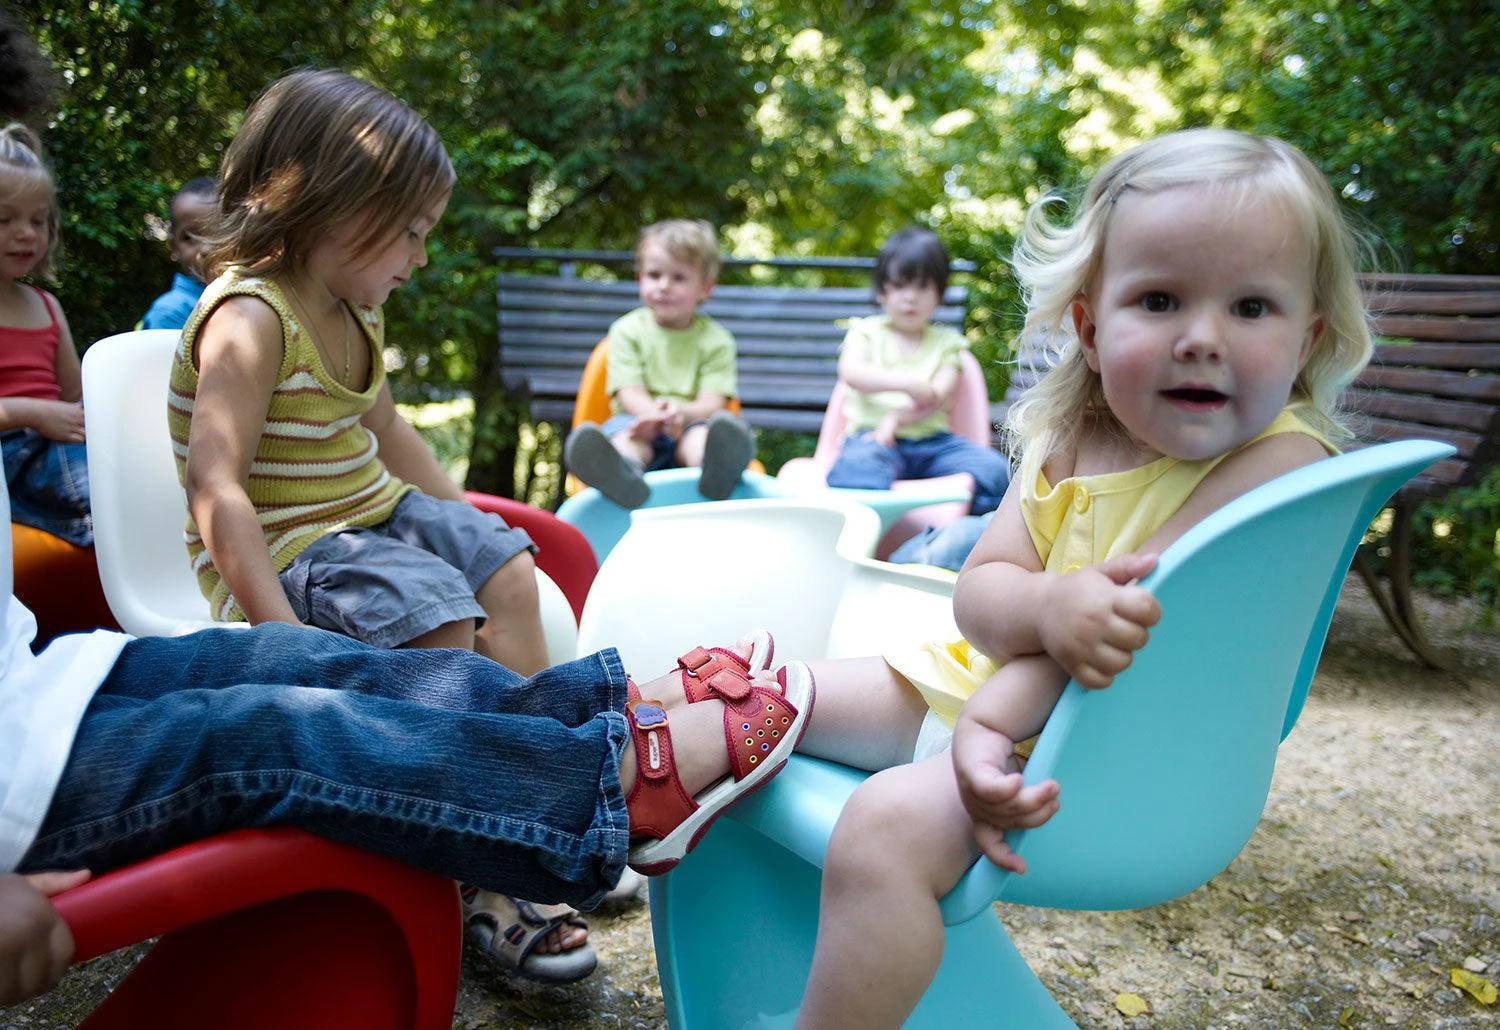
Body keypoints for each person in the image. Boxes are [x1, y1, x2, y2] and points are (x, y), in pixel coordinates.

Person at [784, 128, 1375, 1028]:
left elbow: (1116, 633)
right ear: (1092, 327)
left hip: (1093, 753)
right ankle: (590, 779)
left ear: (1307, 339)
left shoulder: (1281, 462)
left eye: (1253, 307)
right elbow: (984, 597)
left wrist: (993, 715)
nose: (1203, 339)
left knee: (882, 833)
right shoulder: (1065, 437)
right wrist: (1044, 608)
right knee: (766, 693)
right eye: (1163, 299)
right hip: (990, 699)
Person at [0, 469, 816, 1006]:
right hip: (20, 778)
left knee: (293, 658)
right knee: (267, 731)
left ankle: (590, 716)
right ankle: (610, 790)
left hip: (36, 684)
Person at [164, 68, 565, 979]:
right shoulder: (250, 318)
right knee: (440, 619)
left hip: (372, 515)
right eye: (411, 233)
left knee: (507, 570)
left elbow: (385, 430)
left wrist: (469, 528)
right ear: (328, 204)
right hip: (299, 545)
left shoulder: (352, 307)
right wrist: (280, 640)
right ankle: (482, 872)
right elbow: (216, 486)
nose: (419, 258)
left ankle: (540, 801)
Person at [563, 219, 756, 508]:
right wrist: (652, 418)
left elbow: (712, 401)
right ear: (640, 279)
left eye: (678, 278)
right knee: (627, 439)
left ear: (705, 288)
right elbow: (629, 393)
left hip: (690, 422)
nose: (664, 286)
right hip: (637, 419)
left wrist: (679, 416)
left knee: (702, 436)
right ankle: (623, 474)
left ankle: (714, 471)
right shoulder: (626, 331)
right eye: (654, 275)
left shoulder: (717, 340)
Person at [823, 226, 1011, 516]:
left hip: (933, 446)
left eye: (923, 286)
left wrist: (896, 419)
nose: (910, 297)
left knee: (995, 471)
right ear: (882, 292)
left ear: (939, 294)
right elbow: (851, 373)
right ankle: (872, 536)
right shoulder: (865, 333)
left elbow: (936, 395)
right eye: (900, 286)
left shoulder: (948, 343)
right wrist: (906, 384)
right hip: (873, 440)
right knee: (856, 468)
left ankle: (959, 538)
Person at [0, 123, 91, 548]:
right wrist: (34, 413)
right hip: (11, 459)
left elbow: (74, 395)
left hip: (53, 450)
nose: (26, 233)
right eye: (5, 219)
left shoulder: (47, 307)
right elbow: (48, 413)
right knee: (104, 488)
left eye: (38, 220)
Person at [138, 177, 216, 330]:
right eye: (190, 238)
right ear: (174, 247)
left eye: (218, 233)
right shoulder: (170, 313)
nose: (206, 248)